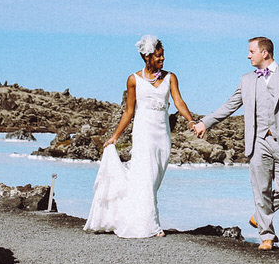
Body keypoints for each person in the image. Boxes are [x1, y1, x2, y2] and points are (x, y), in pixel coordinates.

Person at [192, 37, 279, 250]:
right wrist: (205, 123)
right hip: (257, 142)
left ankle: (259, 215)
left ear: (265, 53)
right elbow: (230, 105)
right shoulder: (246, 80)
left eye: (251, 51)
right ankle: (267, 236)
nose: (248, 55)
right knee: (261, 189)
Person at [84, 35, 196, 238]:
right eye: (158, 56)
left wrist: (190, 120)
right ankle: (151, 225)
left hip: (162, 135)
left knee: (155, 178)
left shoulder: (170, 77)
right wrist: (115, 137)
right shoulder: (133, 80)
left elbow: (178, 101)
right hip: (143, 133)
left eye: (163, 56)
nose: (162, 59)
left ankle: (136, 215)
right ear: (147, 57)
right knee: (146, 176)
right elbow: (128, 112)